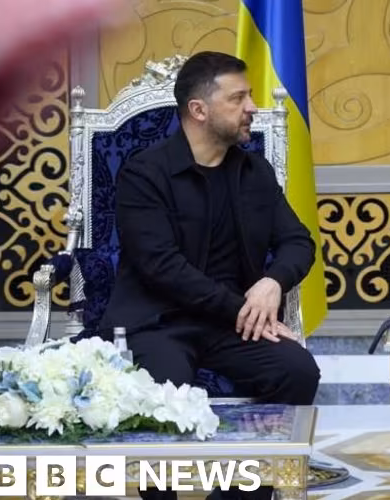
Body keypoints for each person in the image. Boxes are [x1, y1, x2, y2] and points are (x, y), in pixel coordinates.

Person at [100, 51, 321, 500]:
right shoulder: (145, 173)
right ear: (199, 110)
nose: (252, 108)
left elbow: (299, 242)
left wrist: (273, 282)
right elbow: (162, 268)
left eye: (250, 96)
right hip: (158, 322)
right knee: (165, 389)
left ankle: (239, 494)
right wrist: (244, 308)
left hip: (231, 326)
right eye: (238, 98)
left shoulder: (254, 171)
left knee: (298, 370)